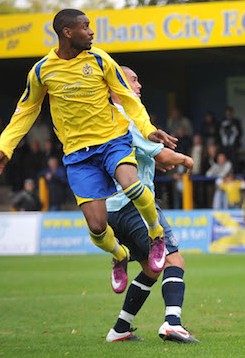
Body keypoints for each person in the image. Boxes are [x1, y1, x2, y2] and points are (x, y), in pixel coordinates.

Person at [0, 9, 175, 291]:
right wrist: (5, 148)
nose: (91, 32)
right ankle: (119, 255)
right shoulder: (41, 71)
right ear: (67, 32)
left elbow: (126, 96)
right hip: (78, 155)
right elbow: (25, 111)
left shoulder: (100, 59)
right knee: (98, 228)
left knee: (131, 184)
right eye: (85, 27)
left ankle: (156, 234)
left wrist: (147, 129)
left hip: (113, 140)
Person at [105, 66, 198, 343]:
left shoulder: (105, 118)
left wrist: (153, 158)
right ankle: (173, 323)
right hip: (135, 204)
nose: (139, 85)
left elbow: (138, 151)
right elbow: (159, 151)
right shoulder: (125, 116)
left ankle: (120, 329)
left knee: (150, 267)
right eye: (133, 80)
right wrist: (183, 159)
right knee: (173, 259)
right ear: (116, 86)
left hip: (111, 209)